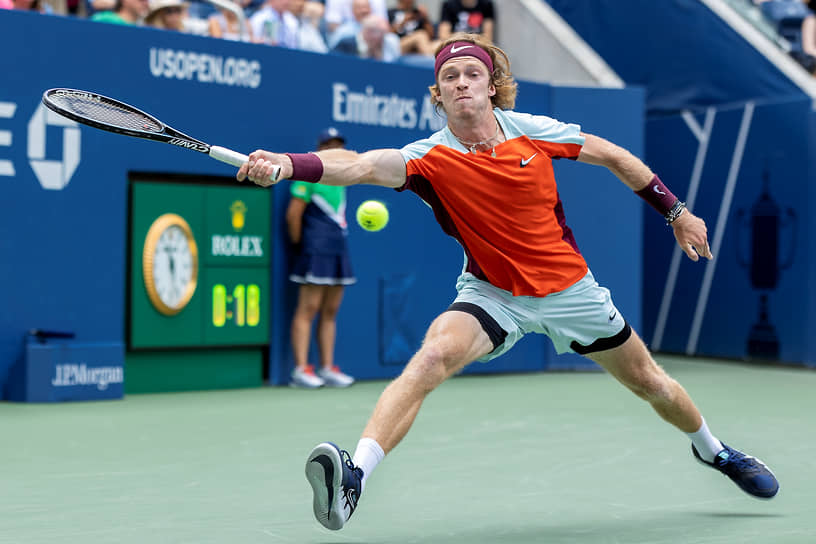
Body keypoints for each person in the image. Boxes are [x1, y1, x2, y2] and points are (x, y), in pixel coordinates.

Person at [237, 33, 780, 531]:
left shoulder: (536, 133)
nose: (461, 83)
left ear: (492, 86)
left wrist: (676, 212)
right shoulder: (427, 159)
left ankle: (713, 450)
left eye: (471, 73)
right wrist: (286, 164)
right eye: (450, 78)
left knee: (651, 383)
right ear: (439, 95)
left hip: (572, 292)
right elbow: (356, 166)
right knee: (429, 360)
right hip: (493, 294)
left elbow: (614, 156)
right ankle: (354, 476)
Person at [285, 128, 357, 389]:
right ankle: (301, 369)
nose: (334, 150)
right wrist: (302, 248)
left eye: (338, 145)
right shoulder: (307, 176)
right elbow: (293, 215)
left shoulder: (342, 177)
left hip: (338, 248)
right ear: (320, 148)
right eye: (329, 145)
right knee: (308, 309)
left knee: (330, 311)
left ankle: (327, 368)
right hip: (315, 251)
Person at [332, 13, 400, 62]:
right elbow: (333, 63)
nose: (383, 38)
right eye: (381, 33)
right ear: (368, 32)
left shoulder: (387, 43)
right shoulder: (346, 44)